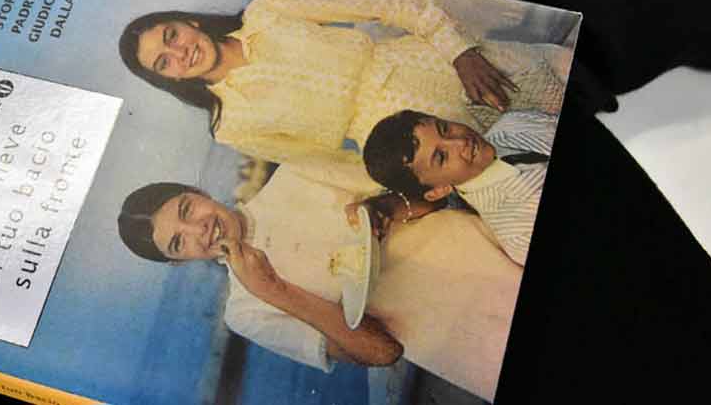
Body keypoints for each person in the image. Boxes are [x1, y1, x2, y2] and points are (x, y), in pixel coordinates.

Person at [117, 162, 521, 401]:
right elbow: (382, 352)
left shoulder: (294, 175)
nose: (199, 229)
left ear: (198, 191)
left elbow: (421, 191)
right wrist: (272, 289)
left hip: (488, 253)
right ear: (178, 262)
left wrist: (384, 208)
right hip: (459, 346)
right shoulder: (244, 311)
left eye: (187, 209)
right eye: (179, 242)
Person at [118, 0, 569, 167]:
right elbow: (328, 166)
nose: (179, 53)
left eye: (171, 36)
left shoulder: (267, 11)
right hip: (417, 146)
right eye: (164, 63)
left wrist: (460, 52)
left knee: (568, 86)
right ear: (169, 80)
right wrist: (407, 191)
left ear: (188, 21)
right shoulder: (230, 126)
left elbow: (388, 5)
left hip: (440, 66)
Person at [363, 109, 558, 266]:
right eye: (441, 157)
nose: (461, 142)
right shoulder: (519, 232)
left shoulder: (513, 121)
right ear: (438, 190)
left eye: (445, 129)